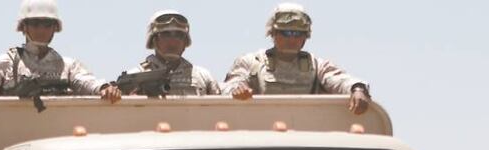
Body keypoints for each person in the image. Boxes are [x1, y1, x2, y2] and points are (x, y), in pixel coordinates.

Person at [223, 3, 371, 115]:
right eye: (286, 33)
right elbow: (230, 85)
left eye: (298, 33)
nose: (292, 39)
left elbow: (340, 79)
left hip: (304, 135)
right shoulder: (251, 63)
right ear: (273, 33)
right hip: (259, 134)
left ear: (306, 36)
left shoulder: (316, 66)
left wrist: (357, 89)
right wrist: (237, 90)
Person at [0, 0, 121, 103]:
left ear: (55, 28)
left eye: (47, 24)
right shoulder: (4, 64)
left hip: (55, 133)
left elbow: (87, 82)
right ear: (24, 27)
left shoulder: (67, 66)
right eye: (35, 23)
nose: (41, 30)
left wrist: (104, 88)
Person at [121, 11, 220, 96]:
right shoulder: (133, 77)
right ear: (154, 40)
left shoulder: (203, 77)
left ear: (185, 42)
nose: (173, 41)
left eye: (179, 35)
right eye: (166, 35)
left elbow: (222, 106)